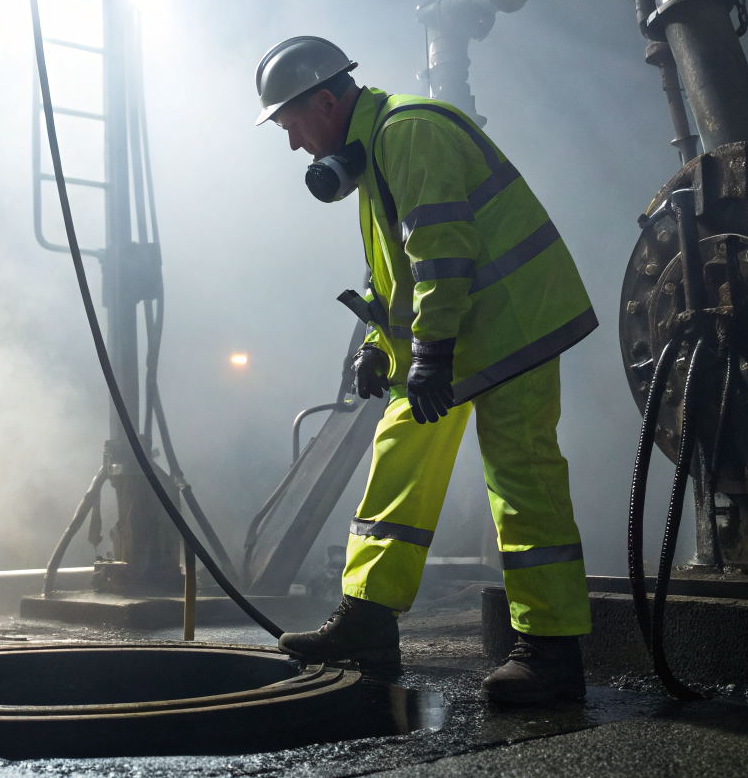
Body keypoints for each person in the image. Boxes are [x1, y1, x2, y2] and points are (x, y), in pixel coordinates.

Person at [255, 37, 597, 704]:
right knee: (398, 452)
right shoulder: (378, 150)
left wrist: (432, 354)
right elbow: (402, 274)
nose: (294, 145)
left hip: (512, 325)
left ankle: (551, 656)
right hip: (462, 330)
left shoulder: (407, 132)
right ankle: (369, 622)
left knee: (522, 479)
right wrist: (383, 350)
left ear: (326, 102)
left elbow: (444, 250)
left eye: (292, 125)